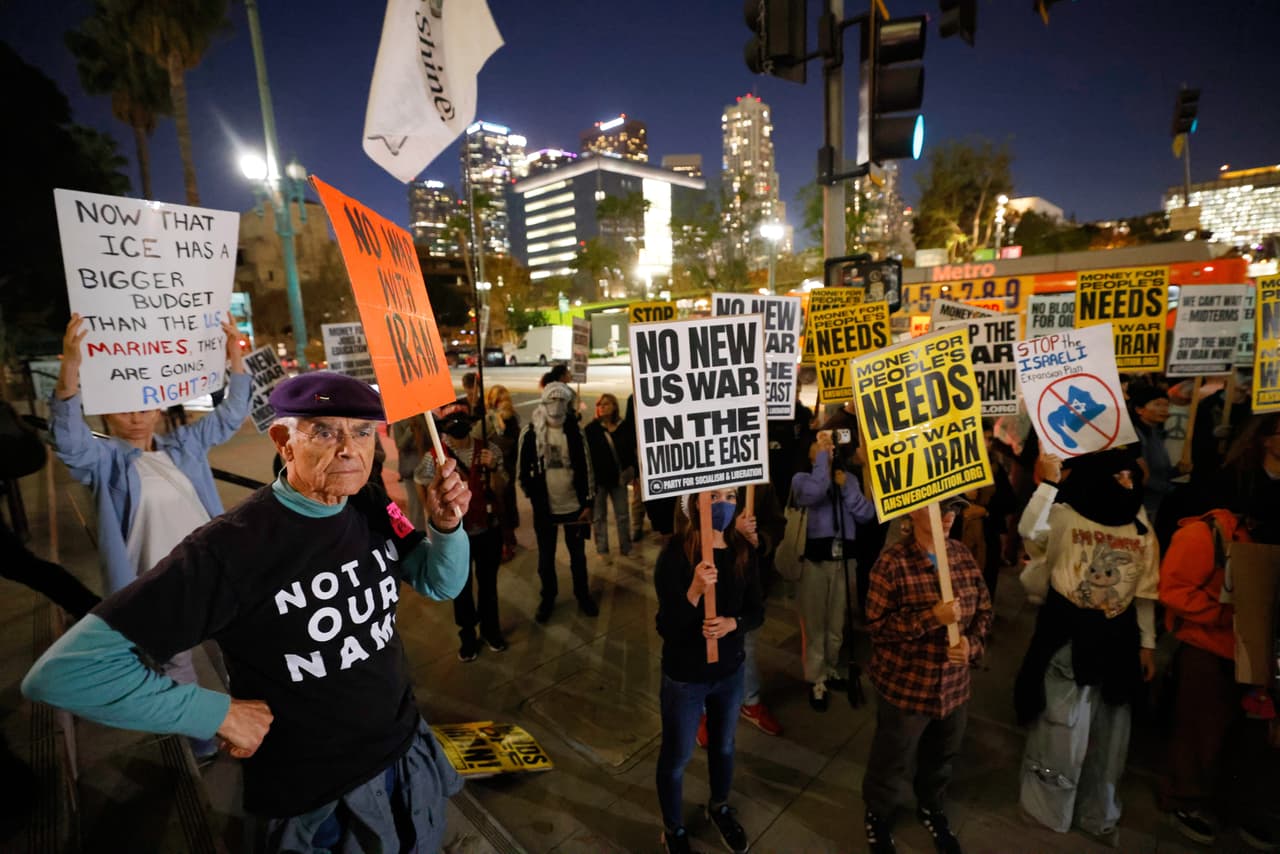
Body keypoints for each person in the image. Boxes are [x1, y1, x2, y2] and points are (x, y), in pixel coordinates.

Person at [23, 371, 473, 852]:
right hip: (321, 798)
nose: (349, 448)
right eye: (324, 430)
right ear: (284, 440)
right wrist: (215, 713)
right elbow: (65, 672)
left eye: (362, 431)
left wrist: (447, 528)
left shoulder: (366, 502)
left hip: (405, 753)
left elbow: (440, 582)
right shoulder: (232, 549)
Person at [50, 313, 250, 760]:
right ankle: (202, 740)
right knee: (176, 664)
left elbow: (233, 413)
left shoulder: (186, 445)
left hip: (213, 572)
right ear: (106, 412)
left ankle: (247, 719)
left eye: (145, 403)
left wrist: (235, 357)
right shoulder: (103, 461)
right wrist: (69, 373)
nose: (136, 415)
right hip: (156, 584)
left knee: (240, 644)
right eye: (124, 407)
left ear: (160, 405)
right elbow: (67, 441)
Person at [1014, 449, 1159, 847]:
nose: (1128, 484)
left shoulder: (1140, 523)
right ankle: (1048, 811)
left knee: (1110, 738)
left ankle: (1098, 811)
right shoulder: (1066, 512)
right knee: (1060, 730)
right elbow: (1030, 531)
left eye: (1131, 476)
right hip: (1067, 636)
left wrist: (1147, 643)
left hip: (1119, 640)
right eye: (1119, 476)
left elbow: (1145, 588)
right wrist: (1048, 485)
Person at [862, 500, 992, 854]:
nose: (948, 516)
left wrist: (971, 646)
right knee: (892, 757)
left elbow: (983, 609)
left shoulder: (962, 555)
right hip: (906, 688)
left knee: (943, 755)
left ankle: (931, 806)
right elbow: (877, 628)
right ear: (912, 514)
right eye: (936, 508)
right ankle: (878, 814)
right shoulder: (891, 563)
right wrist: (930, 618)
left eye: (952, 508)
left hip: (953, 689)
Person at [654, 488, 762, 854]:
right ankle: (673, 829)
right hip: (685, 678)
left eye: (731, 494)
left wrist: (735, 623)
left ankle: (719, 806)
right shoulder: (673, 556)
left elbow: (757, 611)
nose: (724, 503)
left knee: (724, 746)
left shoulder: (743, 550)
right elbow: (666, 626)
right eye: (714, 495)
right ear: (693, 502)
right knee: (677, 756)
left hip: (730, 672)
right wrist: (695, 592)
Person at [416, 397, 508, 661]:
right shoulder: (434, 457)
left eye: (462, 421)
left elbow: (502, 490)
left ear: (471, 424)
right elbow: (420, 481)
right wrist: (430, 512)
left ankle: (492, 631)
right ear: (443, 426)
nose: (457, 426)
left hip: (487, 530)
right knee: (461, 588)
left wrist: (494, 469)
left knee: (488, 586)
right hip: (458, 538)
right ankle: (468, 636)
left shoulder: (489, 450)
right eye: (450, 422)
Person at [791, 430, 877, 711]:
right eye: (819, 444)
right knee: (815, 622)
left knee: (836, 622)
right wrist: (823, 465)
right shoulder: (801, 480)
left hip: (843, 560)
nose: (825, 449)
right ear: (809, 453)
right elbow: (813, 494)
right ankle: (815, 677)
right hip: (814, 562)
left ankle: (829, 667)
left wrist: (847, 488)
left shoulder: (847, 480)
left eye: (828, 445)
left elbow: (866, 513)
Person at [518, 381, 597, 622]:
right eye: (552, 400)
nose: (556, 406)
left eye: (561, 400)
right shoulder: (531, 432)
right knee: (546, 558)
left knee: (578, 557)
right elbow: (522, 473)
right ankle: (548, 597)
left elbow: (587, 468)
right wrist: (535, 497)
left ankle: (582, 595)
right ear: (543, 402)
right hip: (546, 509)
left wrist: (588, 503)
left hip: (573, 506)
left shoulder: (574, 431)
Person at [584, 393, 635, 557]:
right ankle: (602, 548)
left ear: (614, 406)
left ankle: (626, 547)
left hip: (618, 479)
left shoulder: (624, 426)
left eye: (606, 404)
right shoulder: (591, 429)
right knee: (599, 517)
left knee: (622, 515)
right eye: (600, 404)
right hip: (599, 481)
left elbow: (630, 451)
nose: (603, 407)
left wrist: (633, 473)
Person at [485, 384, 521, 562]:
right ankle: (507, 540)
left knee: (504, 507)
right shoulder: (490, 417)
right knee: (500, 507)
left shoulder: (508, 419)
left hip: (504, 470)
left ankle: (507, 542)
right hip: (495, 469)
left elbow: (509, 444)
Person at [1129, 386, 1174, 523]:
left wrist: (1178, 471)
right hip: (1139, 505)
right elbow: (1140, 475)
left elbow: (1160, 470)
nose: (1163, 409)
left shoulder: (1155, 433)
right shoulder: (1135, 437)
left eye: (1166, 405)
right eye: (1157, 404)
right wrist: (1170, 489)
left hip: (1154, 503)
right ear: (1139, 409)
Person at [391, 414, 429, 530]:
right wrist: (410, 430)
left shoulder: (425, 416)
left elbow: (431, 439)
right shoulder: (398, 421)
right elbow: (400, 444)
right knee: (416, 508)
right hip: (411, 468)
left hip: (428, 465)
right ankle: (419, 537)